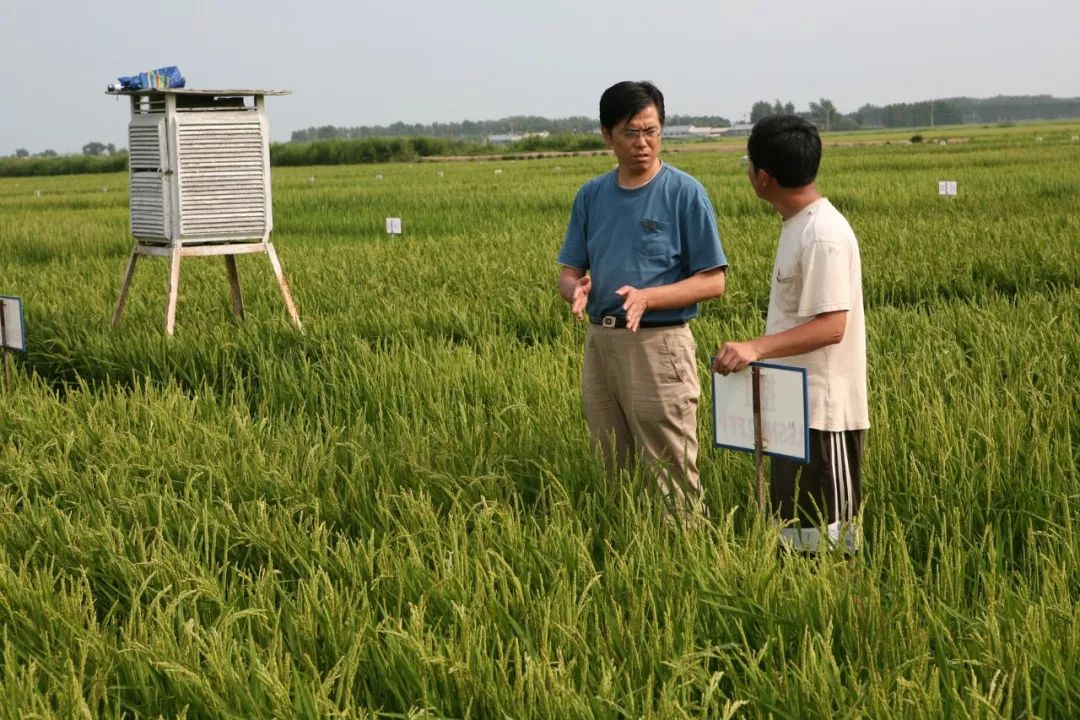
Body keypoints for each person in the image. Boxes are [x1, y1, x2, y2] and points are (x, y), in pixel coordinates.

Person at [556, 80, 728, 513]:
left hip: (659, 343)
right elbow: (569, 272)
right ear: (607, 135)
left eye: (651, 130)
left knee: (670, 473)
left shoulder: (684, 193)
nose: (642, 143)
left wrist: (649, 297)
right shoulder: (591, 196)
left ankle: (684, 558)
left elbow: (713, 281)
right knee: (612, 466)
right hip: (602, 343)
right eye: (631, 132)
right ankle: (630, 557)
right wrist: (574, 290)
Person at [713, 114, 869, 552]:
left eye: (749, 164)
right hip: (794, 413)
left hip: (824, 416)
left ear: (763, 177)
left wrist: (754, 348)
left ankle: (842, 615)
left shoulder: (822, 234)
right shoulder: (799, 226)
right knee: (795, 540)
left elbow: (832, 326)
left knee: (830, 542)